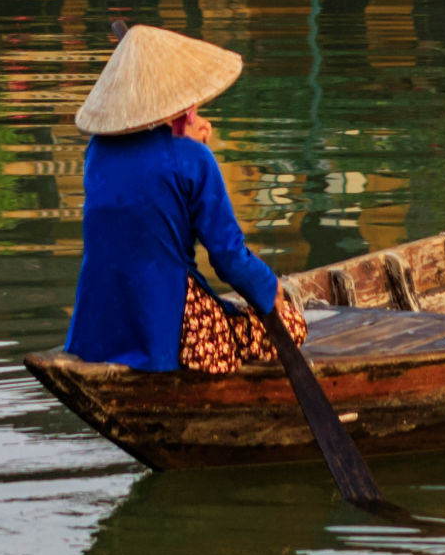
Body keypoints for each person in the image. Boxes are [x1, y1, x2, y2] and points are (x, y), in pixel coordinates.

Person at [64, 23, 307, 374]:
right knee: (294, 325)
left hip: (95, 331)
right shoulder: (192, 159)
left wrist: (187, 143)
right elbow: (228, 258)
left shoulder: (96, 152)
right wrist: (269, 288)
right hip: (165, 332)